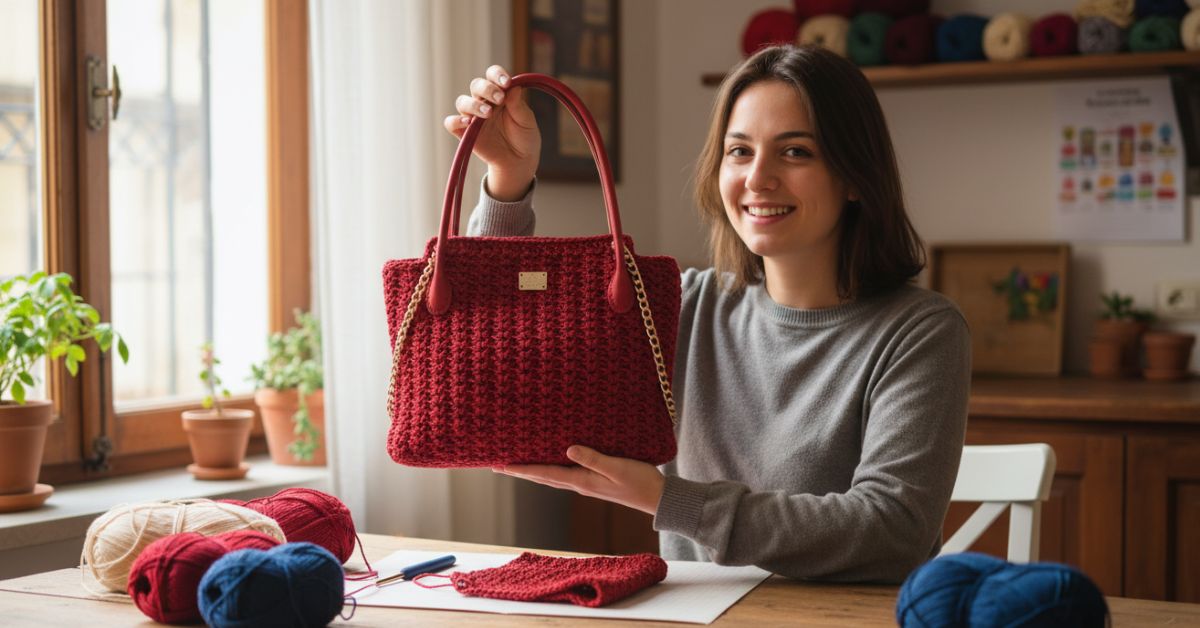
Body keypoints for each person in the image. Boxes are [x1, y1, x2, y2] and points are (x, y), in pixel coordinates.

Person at [443, 45, 971, 583]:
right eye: (739, 151)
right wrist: (507, 179)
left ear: (855, 175)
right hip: (697, 613)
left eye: (795, 152)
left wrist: (669, 500)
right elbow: (506, 360)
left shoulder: (920, 332)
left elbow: (892, 531)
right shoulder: (683, 305)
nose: (758, 178)